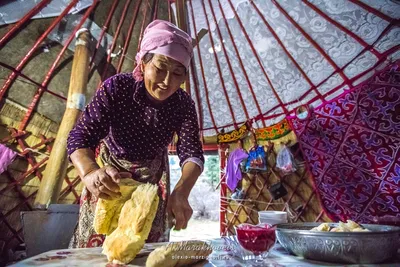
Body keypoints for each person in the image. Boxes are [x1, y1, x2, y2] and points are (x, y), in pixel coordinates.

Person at [67, 19, 204, 248]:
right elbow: (80, 137)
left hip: (151, 182)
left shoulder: (183, 104)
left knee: (141, 247)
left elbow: (192, 153)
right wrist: (90, 171)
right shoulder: (118, 88)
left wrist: (182, 190)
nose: (167, 82)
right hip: (108, 177)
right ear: (143, 62)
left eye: (178, 74)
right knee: (97, 246)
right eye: (160, 69)